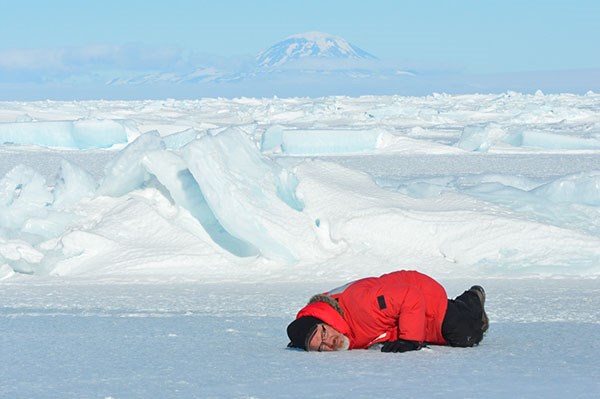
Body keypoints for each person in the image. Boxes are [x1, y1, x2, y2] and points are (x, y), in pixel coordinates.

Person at [287, 270, 488, 352]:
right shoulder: (335, 320)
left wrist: (410, 340)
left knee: (467, 336)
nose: (329, 341)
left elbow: (410, 296)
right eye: (321, 347)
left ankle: (472, 300)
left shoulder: (363, 307)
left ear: (326, 319)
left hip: (423, 298)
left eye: (324, 333)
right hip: (400, 315)